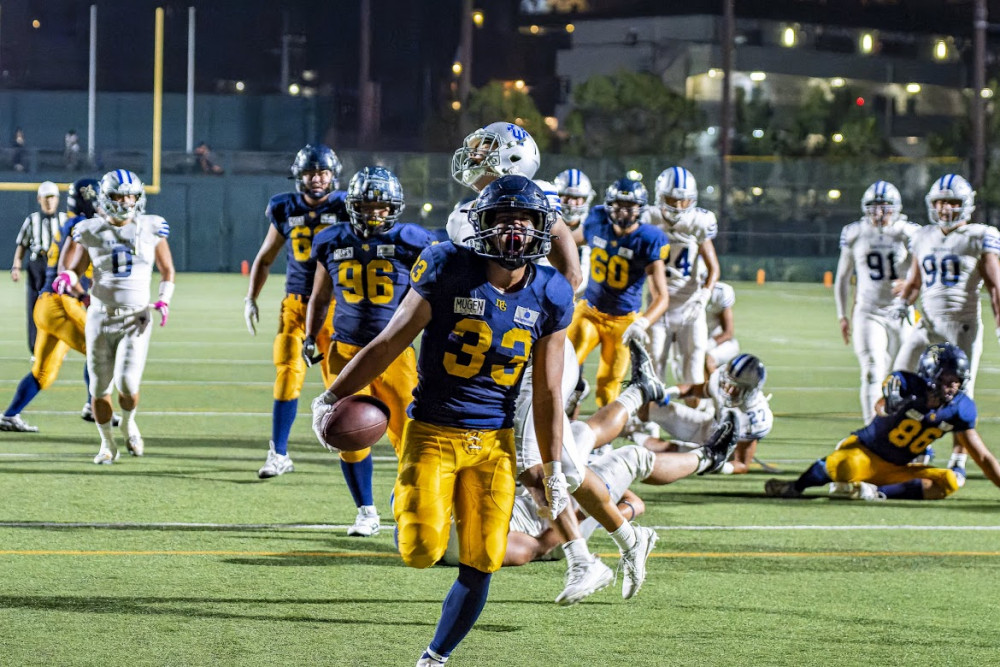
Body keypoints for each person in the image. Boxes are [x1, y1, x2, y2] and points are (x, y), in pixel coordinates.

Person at [310, 175, 586, 666]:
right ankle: (403, 496)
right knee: (421, 550)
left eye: (524, 220)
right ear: (482, 224)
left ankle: (436, 656)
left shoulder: (551, 292)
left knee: (484, 559)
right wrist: (332, 395)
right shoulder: (447, 266)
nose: (514, 231)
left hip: (495, 442)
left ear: (543, 228)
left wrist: (553, 469)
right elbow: (389, 342)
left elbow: (547, 393)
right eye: (502, 219)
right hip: (433, 431)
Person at [451, 124, 653, 607]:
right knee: (562, 467)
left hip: (533, 349)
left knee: (537, 465)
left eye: (486, 150)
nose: (475, 156)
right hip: (504, 351)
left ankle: (585, 559)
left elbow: (572, 272)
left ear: (511, 159)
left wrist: (540, 311)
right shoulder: (475, 208)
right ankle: (628, 539)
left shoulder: (533, 199)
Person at [305, 166, 434, 536]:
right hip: (344, 352)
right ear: (353, 205)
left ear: (394, 207)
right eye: (367, 205)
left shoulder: (413, 240)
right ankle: (365, 510)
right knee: (347, 433)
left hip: (396, 353)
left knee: (410, 437)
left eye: (382, 206)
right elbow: (320, 295)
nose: (375, 213)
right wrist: (310, 336)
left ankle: (407, 506)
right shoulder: (331, 239)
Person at [765, 343, 1000, 501]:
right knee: (843, 466)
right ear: (931, 372)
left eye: (957, 380)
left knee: (948, 481)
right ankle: (796, 486)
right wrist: (890, 405)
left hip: (899, 468)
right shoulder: (908, 385)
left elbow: (982, 456)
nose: (953, 386)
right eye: (948, 378)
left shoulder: (960, 408)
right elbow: (880, 406)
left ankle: (874, 492)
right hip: (866, 453)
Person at [53, 169, 175, 464]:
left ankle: (129, 422)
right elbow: (76, 268)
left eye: (131, 195)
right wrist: (67, 277)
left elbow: (167, 270)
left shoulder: (150, 227)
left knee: (128, 385)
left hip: (136, 318)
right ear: (106, 198)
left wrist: (164, 300)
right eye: (120, 195)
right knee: (98, 388)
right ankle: (107, 443)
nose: (126, 201)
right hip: (99, 316)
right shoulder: (90, 229)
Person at [244, 144, 347, 478]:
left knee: (340, 384)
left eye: (323, 172)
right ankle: (278, 453)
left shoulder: (346, 206)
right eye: (310, 173)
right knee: (288, 372)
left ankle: (352, 451)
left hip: (336, 306)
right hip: (297, 305)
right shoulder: (284, 207)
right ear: (299, 175)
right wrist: (251, 297)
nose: (317, 179)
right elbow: (265, 257)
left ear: (333, 175)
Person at [891, 174, 1000, 472]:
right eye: (940, 201)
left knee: (959, 395)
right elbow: (915, 281)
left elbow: (995, 286)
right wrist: (903, 302)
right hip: (926, 324)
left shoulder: (979, 235)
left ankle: (959, 457)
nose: (945, 208)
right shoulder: (923, 235)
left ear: (965, 204)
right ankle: (918, 446)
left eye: (952, 202)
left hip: (961, 325)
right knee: (900, 381)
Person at [1, 178, 106, 433]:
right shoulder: (81, 226)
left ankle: (9, 415)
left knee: (43, 373)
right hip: (62, 303)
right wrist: (84, 296)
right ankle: (91, 405)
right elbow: (66, 270)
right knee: (100, 349)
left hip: (47, 305)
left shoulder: (73, 222)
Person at [568, 176, 670, 407]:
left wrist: (642, 323)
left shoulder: (649, 238)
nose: (623, 211)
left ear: (640, 208)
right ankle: (566, 403)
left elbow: (662, 297)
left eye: (630, 206)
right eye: (618, 205)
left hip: (624, 322)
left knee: (609, 386)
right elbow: (568, 242)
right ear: (609, 205)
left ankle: (603, 431)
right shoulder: (597, 221)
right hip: (589, 312)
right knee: (564, 365)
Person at [834, 180, 919, 422]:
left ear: (896, 208)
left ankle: (898, 427)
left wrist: (910, 282)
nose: (879, 213)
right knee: (872, 370)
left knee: (902, 374)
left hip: (900, 311)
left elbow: (924, 267)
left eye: (885, 207)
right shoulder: (855, 232)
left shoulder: (908, 232)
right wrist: (842, 315)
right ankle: (871, 428)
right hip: (868, 311)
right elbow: (842, 277)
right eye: (874, 207)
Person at [645, 166, 720, 392]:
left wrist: (704, 296)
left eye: (684, 201)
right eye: (672, 199)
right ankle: (652, 415)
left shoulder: (699, 221)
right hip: (658, 305)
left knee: (694, 368)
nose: (678, 206)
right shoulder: (648, 218)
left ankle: (692, 413)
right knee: (652, 368)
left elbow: (714, 268)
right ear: (660, 196)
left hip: (690, 305)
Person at [638, 353, 772, 476]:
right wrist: (667, 393)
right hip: (711, 426)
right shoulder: (721, 381)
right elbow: (693, 390)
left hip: (722, 452)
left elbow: (742, 464)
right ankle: (630, 429)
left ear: (752, 390)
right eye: (728, 383)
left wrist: (718, 465)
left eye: (737, 387)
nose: (729, 390)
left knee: (668, 451)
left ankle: (634, 437)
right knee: (651, 407)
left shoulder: (755, 416)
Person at [11, 181, 66, 353]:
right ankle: (35, 348)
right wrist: (16, 266)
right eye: (46, 197)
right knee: (34, 307)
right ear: (39, 199)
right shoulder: (32, 220)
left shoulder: (64, 220)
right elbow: (22, 245)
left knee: (58, 308)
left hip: (57, 267)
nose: (49, 201)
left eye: (52, 197)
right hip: (37, 265)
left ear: (57, 199)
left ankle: (57, 347)